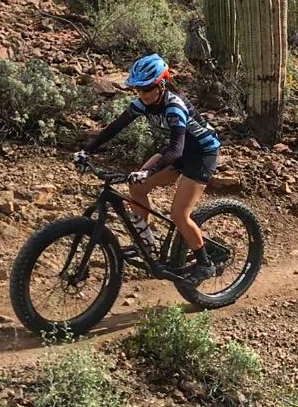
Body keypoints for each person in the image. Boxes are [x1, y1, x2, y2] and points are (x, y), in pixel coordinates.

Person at [74, 54, 220, 282]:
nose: (142, 94)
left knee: (179, 214)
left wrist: (148, 171)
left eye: (147, 88)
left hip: (201, 154)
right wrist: (88, 150)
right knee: (137, 188)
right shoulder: (142, 104)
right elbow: (115, 127)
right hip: (177, 150)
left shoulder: (174, 107)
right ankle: (146, 243)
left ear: (161, 84)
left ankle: (205, 263)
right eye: (138, 89)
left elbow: (176, 150)